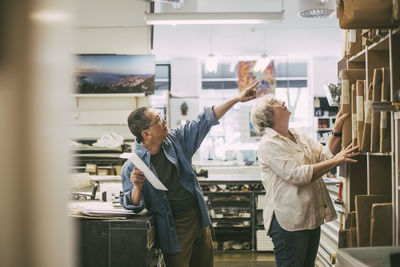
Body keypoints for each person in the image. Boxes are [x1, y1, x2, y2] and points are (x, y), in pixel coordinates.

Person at [120, 80, 260, 267]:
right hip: (173, 226)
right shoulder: (132, 165)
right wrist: (137, 187)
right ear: (146, 134)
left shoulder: (175, 140)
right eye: (158, 120)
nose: (164, 121)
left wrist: (236, 99)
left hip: (198, 216)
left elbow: (205, 120)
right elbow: (132, 205)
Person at [250, 94, 359, 267]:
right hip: (289, 221)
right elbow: (297, 175)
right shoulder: (268, 144)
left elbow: (323, 155)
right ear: (268, 116)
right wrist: (337, 160)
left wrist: (337, 130)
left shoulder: (297, 134)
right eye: (276, 103)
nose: (283, 102)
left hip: (310, 216)